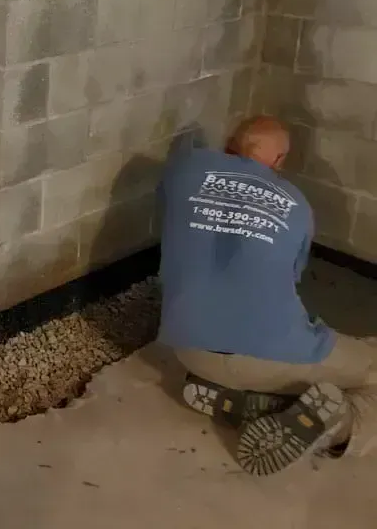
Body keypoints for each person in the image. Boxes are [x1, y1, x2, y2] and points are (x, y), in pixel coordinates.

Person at [157, 116, 377, 476]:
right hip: (260, 355)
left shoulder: (186, 167)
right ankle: (335, 424)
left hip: (187, 348)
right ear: (278, 161)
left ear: (231, 142)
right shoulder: (297, 205)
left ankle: (252, 403)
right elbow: (288, 280)